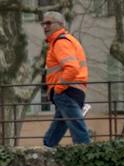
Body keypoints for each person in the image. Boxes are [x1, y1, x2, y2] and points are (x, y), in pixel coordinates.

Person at [39, 10, 91, 147]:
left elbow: (72, 68)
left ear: (60, 24)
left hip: (67, 90)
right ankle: (48, 146)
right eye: (43, 24)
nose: (45, 27)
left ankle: (85, 150)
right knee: (60, 123)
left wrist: (58, 88)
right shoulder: (65, 40)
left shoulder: (60, 42)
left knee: (76, 125)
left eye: (49, 23)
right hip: (72, 89)